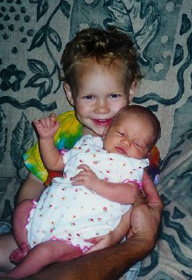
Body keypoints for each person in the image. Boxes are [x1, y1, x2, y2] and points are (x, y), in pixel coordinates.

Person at [0, 27, 162, 278]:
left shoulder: (140, 146)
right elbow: (34, 181)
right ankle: (27, 254)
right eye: (89, 96)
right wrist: (26, 229)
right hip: (43, 225)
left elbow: (135, 204)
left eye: (113, 95)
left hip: (91, 242)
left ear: (131, 90)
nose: (102, 108)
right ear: (70, 93)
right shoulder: (62, 130)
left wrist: (114, 237)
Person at [1, 105, 161, 279]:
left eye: (137, 144)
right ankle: (26, 248)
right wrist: (46, 139)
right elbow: (54, 163)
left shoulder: (131, 166)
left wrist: (97, 184)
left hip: (77, 233)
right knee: (22, 208)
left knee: (45, 251)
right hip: (46, 215)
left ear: (145, 154)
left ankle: (15, 275)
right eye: (121, 133)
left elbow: (130, 194)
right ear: (107, 130)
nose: (126, 142)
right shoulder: (86, 145)